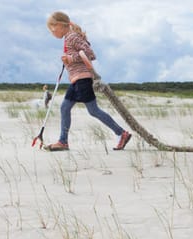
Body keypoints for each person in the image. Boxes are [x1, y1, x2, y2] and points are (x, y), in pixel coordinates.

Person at [45, 11, 132, 151]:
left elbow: (90, 54)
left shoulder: (72, 37)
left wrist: (71, 58)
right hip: (76, 80)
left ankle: (121, 133)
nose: (52, 32)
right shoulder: (68, 38)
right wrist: (68, 60)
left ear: (60, 25)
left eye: (52, 28)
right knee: (65, 107)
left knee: (93, 110)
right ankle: (63, 141)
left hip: (83, 79)